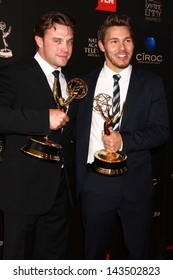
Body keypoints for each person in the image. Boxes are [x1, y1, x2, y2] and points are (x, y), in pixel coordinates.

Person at [76, 14, 170, 259]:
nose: (122, 48)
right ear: (101, 45)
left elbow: (162, 131)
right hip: (95, 184)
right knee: (92, 255)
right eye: (114, 41)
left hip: (136, 184)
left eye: (127, 41)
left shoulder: (151, 83)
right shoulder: (84, 85)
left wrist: (124, 140)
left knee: (140, 255)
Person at [0, 11, 77, 259]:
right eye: (57, 40)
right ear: (39, 40)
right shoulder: (14, 74)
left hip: (60, 192)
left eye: (69, 41)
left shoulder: (69, 81)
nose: (65, 48)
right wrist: (44, 118)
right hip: (23, 193)